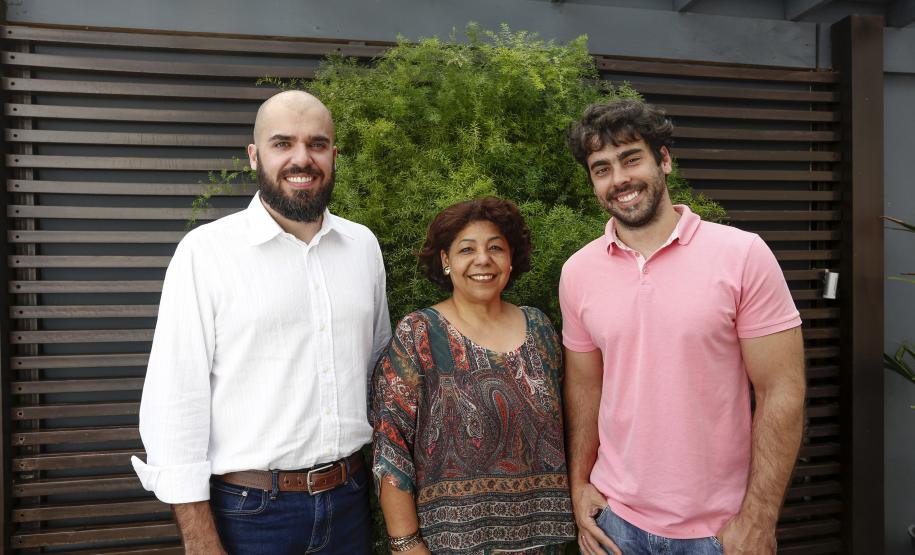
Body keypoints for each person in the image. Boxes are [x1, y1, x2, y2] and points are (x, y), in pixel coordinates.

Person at [131, 90, 391, 554]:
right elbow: (175, 404)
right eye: (282, 143)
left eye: (316, 144)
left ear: (334, 154)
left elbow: (378, 373)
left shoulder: (362, 247)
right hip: (250, 515)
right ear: (254, 156)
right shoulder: (206, 254)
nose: (301, 158)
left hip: (349, 503)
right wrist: (199, 539)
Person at [560, 99, 806, 555]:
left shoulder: (742, 255)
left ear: (664, 160)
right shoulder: (578, 272)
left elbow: (782, 391)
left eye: (631, 159)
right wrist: (579, 486)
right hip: (615, 525)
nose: (620, 180)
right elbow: (584, 389)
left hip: (718, 532)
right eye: (602, 168)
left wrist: (759, 519)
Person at [370, 197, 576, 554]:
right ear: (446, 260)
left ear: (511, 259)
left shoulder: (540, 327)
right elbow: (391, 446)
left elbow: (573, 423)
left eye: (495, 247)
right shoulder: (418, 334)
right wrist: (405, 544)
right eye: (467, 249)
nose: (483, 259)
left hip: (542, 544)